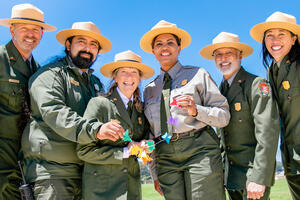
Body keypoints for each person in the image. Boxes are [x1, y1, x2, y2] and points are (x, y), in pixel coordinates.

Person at [21, 21, 117, 199]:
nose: (87, 48)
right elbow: (54, 112)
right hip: (53, 173)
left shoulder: (95, 83)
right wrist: (95, 130)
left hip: (88, 172)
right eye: (81, 41)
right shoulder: (49, 74)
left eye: (93, 44)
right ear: (68, 45)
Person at [140, 20, 230, 200]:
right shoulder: (149, 89)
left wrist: (197, 110)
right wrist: (154, 174)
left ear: (179, 48)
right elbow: (150, 135)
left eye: (170, 43)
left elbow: (224, 116)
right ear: (153, 51)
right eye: (159, 44)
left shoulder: (198, 74)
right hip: (165, 158)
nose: (165, 47)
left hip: (200, 150)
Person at [200, 32, 280, 200]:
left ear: (240, 55)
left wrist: (259, 177)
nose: (223, 58)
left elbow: (268, 134)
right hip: (232, 178)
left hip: (253, 176)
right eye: (218, 55)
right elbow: (223, 139)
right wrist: (222, 172)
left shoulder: (256, 85)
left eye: (228, 53)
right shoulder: (219, 92)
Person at [77, 50, 154, 200]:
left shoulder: (140, 110)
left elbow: (141, 146)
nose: (129, 76)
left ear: (139, 78)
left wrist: (145, 146)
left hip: (132, 189)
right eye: (123, 71)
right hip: (103, 190)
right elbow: (84, 152)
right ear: (115, 76)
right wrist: (125, 151)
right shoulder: (99, 104)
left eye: (134, 72)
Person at [0, 3, 56, 199]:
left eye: (35, 29)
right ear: (12, 29)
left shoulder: (39, 71)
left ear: (42, 34)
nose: (30, 35)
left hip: (26, 164)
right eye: (24, 29)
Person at [250, 11, 300, 200]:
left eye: (281, 34)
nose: (274, 40)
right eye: (269, 35)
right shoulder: (272, 72)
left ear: (293, 39)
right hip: (291, 161)